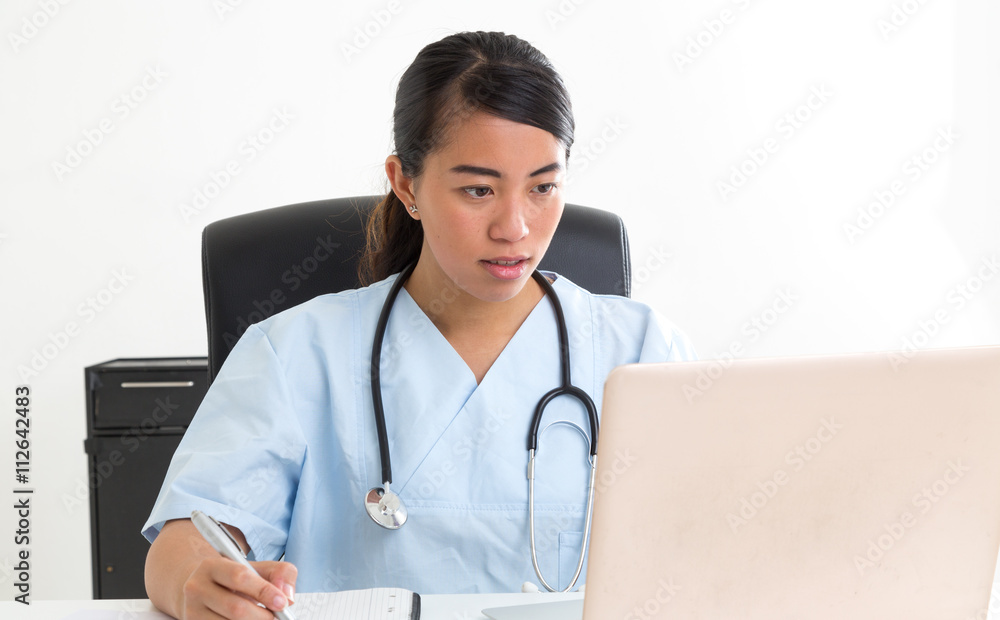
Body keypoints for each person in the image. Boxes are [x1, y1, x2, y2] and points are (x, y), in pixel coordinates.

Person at [142, 30, 696, 619]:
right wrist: (199, 582)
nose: (515, 227)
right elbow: (186, 542)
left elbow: (713, 536)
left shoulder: (640, 350)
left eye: (543, 187)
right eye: (478, 189)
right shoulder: (298, 351)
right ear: (406, 183)